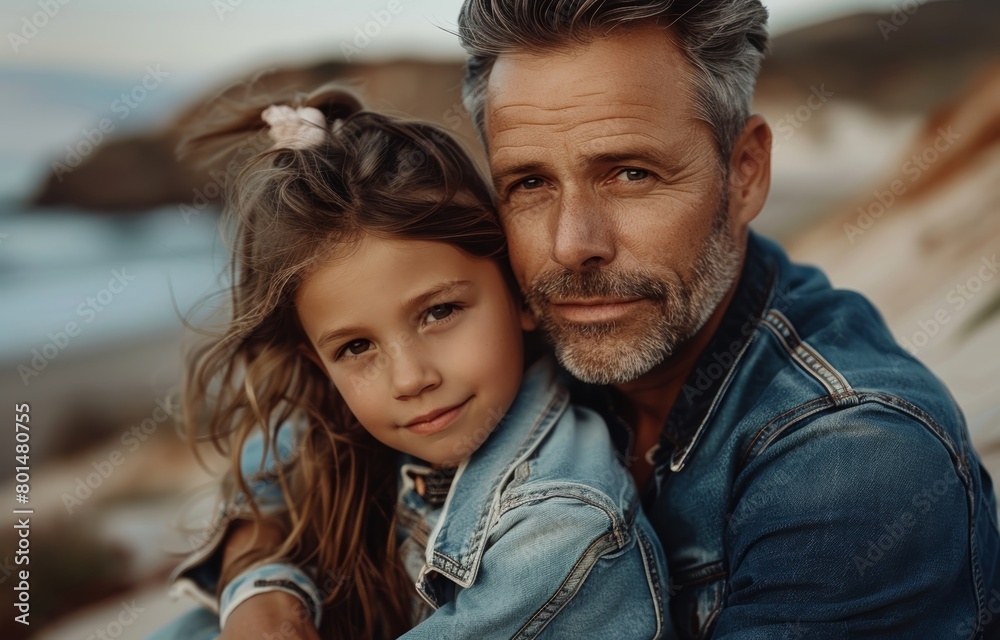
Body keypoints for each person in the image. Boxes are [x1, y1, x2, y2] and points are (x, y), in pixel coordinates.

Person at [163, 1, 1000, 638]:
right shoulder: (518, 338)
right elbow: (295, 445)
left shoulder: (857, 466)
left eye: (630, 173)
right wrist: (261, 584)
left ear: (743, 173)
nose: (572, 245)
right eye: (529, 183)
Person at [148, 83, 675, 639]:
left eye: (439, 312)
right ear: (320, 362)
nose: (411, 378)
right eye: (356, 348)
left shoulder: (559, 526)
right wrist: (260, 586)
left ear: (520, 291)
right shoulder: (332, 425)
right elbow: (273, 456)